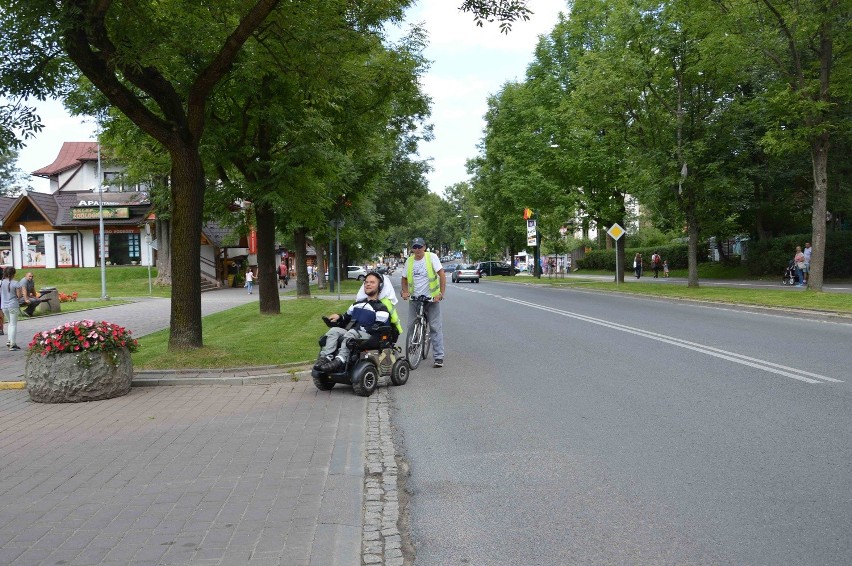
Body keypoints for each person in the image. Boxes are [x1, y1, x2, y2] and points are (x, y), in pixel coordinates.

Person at [314, 272, 401, 373]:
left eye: (372, 282)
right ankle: (326, 357)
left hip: (370, 336)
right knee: (334, 330)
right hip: (355, 333)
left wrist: (361, 329)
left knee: (351, 332)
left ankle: (341, 359)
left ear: (380, 286)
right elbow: (346, 317)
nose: (368, 284)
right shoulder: (357, 304)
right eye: (366, 282)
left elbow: (380, 326)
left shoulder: (381, 307)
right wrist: (339, 316)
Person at [401, 237, 446, 368]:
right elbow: (404, 279)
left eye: (419, 247)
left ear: (424, 247)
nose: (417, 249)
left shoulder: (431, 257)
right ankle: (413, 351)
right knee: (411, 326)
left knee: (435, 327)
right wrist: (405, 292)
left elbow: (441, 274)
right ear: (412, 249)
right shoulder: (409, 261)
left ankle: (438, 357)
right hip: (415, 299)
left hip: (431, 299)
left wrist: (440, 294)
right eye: (414, 247)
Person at [1, 267, 23, 350]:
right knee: (13, 324)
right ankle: (12, 344)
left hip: (4, 306)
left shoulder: (1, 282)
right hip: (13, 305)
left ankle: (9, 341)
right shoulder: (16, 283)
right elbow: (19, 295)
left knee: (10, 323)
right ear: (14, 273)